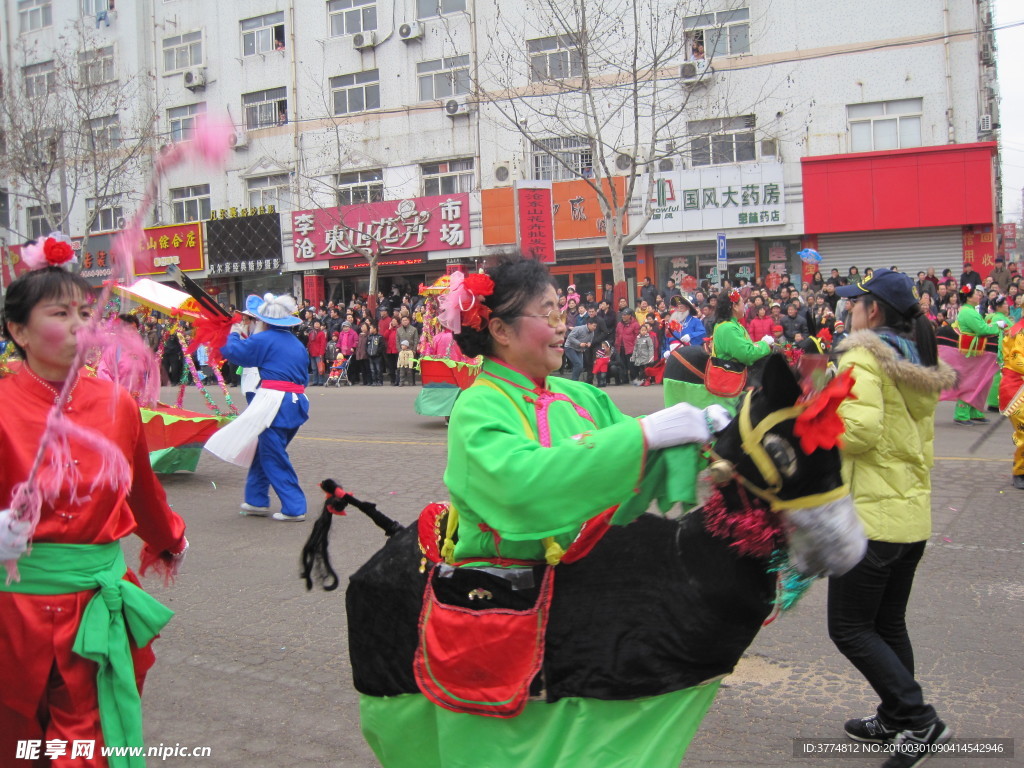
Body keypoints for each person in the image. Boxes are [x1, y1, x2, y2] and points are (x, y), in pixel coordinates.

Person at [0, 264, 188, 761]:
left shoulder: (117, 404)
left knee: (85, 738)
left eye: (87, 312)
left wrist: (169, 540)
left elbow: (141, 493)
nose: (82, 325)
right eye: (61, 313)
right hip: (15, 612)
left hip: (95, 608)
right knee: (17, 738)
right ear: (18, 330)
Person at [831, 269, 956, 766]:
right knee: (886, 624)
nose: (848, 311)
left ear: (873, 311)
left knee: (849, 628)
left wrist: (816, 415)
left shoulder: (862, 356)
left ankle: (918, 719)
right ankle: (894, 718)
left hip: (872, 519)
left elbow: (858, 432)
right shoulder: (916, 361)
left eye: (854, 304)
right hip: (910, 519)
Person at [205, 293, 310, 521]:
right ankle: (256, 500)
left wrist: (232, 333)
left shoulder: (265, 339)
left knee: (273, 455)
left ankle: (294, 507)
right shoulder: (296, 344)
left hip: (274, 403)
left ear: (265, 321)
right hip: (295, 403)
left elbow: (236, 354)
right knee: (265, 452)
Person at [953, 286, 1003, 424]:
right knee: (970, 380)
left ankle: (974, 411)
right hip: (971, 349)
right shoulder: (968, 312)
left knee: (978, 380)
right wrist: (996, 325)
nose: (979, 296)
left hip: (975, 348)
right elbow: (982, 329)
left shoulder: (970, 311)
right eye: (976, 293)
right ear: (969, 297)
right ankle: (961, 413)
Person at [564, 317, 597, 381]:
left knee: (580, 366)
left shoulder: (592, 332)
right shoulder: (579, 329)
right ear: (589, 324)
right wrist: (579, 343)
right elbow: (570, 337)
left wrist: (589, 343)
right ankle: (574, 381)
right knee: (578, 364)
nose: (594, 328)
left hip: (579, 350)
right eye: (594, 326)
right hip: (570, 347)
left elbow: (590, 340)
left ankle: (575, 380)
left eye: (595, 326)